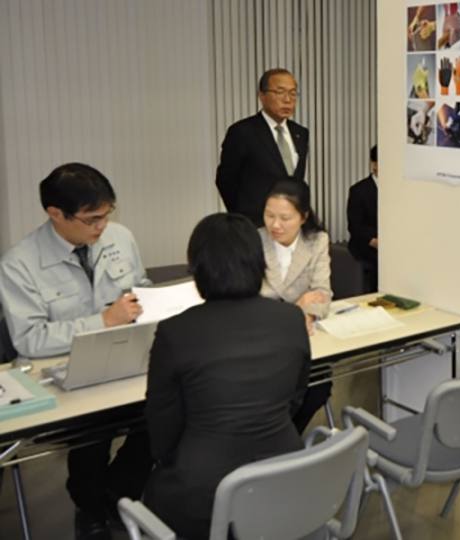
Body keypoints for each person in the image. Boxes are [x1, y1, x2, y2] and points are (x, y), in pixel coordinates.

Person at [0, 163, 153, 539]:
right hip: (63, 374)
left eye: (107, 214)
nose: (102, 226)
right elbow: (30, 339)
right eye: (92, 219)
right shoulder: (19, 264)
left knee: (167, 408)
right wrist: (103, 321)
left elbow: (140, 286)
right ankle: (91, 504)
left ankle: (120, 491)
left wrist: (151, 302)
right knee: (93, 433)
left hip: (126, 359)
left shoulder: (119, 237)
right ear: (55, 214)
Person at [143, 213, 311, 540]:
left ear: (197, 269)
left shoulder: (176, 331)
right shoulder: (291, 318)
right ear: (259, 263)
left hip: (204, 497)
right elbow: (296, 396)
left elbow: (162, 427)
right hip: (283, 478)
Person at [258, 180, 332, 433]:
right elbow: (251, 300)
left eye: (285, 218)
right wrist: (297, 308)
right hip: (264, 338)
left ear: (303, 217)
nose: (275, 225)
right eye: (269, 215)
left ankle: (289, 436)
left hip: (304, 338)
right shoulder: (254, 240)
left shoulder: (317, 241)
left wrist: (308, 313)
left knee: (319, 386)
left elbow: (322, 292)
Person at [215, 68, 309, 226]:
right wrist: (243, 218)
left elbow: (296, 180)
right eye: (280, 92)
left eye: (293, 93)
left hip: (290, 223)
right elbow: (226, 180)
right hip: (255, 223)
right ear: (262, 96)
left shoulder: (300, 133)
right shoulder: (242, 132)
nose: (288, 99)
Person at [347, 145, 379, 292]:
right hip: (367, 245)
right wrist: (375, 241)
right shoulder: (359, 190)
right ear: (374, 164)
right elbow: (355, 226)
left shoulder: (399, 188)